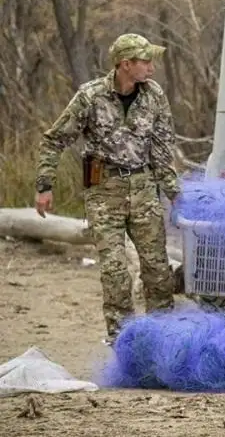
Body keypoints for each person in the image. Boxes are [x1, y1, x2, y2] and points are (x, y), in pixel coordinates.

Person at [34, 33, 181, 346]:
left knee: (157, 271)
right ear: (125, 64)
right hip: (104, 192)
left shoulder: (154, 95)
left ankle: (164, 339)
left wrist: (175, 195)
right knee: (115, 273)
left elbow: (162, 150)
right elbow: (54, 140)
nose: (152, 69)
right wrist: (44, 186)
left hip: (143, 189)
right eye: (145, 62)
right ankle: (123, 342)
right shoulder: (91, 96)